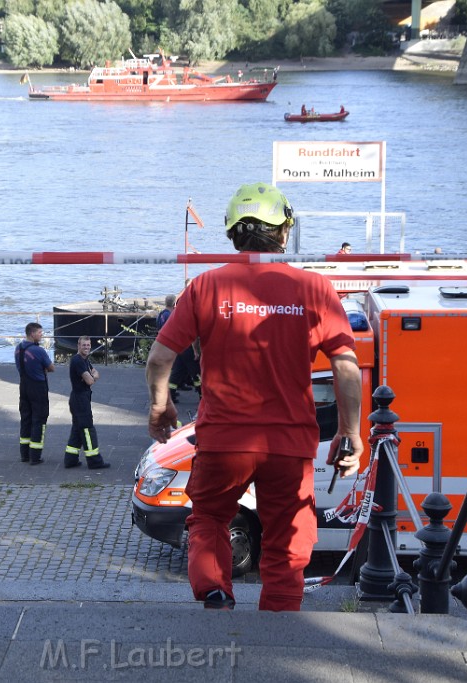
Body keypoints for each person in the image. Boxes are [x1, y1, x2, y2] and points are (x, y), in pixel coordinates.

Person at [145, 182, 363, 612]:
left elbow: (159, 358)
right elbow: (346, 366)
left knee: (208, 519)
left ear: (231, 233)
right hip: (289, 444)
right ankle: (279, 624)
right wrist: (350, 431)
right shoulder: (315, 289)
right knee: (287, 537)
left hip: (223, 439)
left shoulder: (205, 287)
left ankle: (214, 592)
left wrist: (160, 404)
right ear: (283, 234)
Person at [63, 336, 110, 470]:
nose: (87, 347)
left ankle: (70, 460)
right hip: (79, 400)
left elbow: (96, 374)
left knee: (78, 429)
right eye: (84, 345)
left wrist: (91, 376)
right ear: (78, 345)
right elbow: (90, 381)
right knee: (88, 429)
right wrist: (91, 377)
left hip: (81, 398)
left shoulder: (85, 360)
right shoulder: (77, 361)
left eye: (88, 345)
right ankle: (94, 461)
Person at [15, 322, 54, 465]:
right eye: (40, 333)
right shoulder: (39, 351)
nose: (42, 335)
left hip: (23, 386)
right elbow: (51, 367)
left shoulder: (18, 349)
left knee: (26, 419)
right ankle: (35, 456)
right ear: (32, 333)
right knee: (39, 420)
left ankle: (24, 454)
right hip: (38, 388)